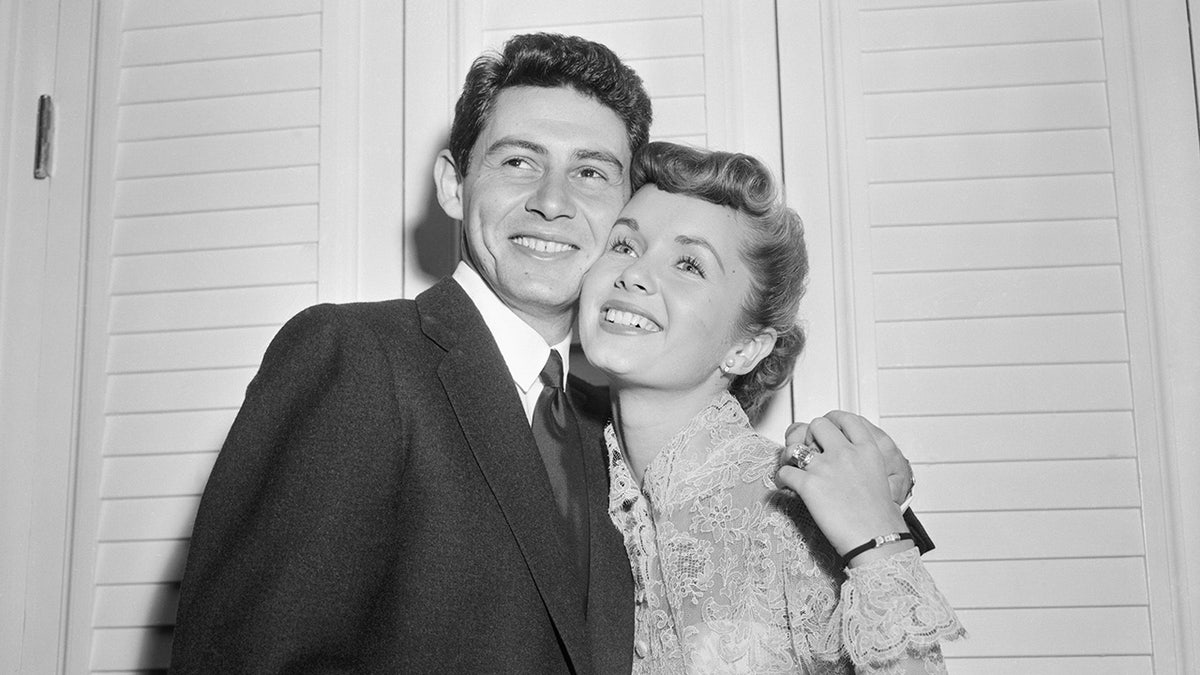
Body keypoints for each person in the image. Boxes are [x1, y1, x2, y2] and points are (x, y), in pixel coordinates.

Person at [171, 33, 925, 673]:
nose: (554, 201)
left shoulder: (620, 438)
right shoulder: (355, 358)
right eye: (519, 161)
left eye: (592, 172)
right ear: (453, 184)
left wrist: (868, 498)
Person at [578, 142, 965, 672]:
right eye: (623, 245)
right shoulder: (568, 472)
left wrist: (880, 540)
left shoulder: (796, 504)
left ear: (744, 348)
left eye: (689, 263)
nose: (634, 273)